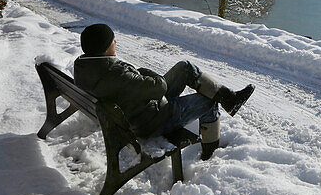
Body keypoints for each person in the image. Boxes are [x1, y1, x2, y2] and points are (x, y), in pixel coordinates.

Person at [73, 23, 254, 160]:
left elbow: (137, 88)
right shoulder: (116, 74)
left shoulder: (85, 66)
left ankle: (229, 99)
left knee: (185, 67)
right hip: (150, 121)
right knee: (208, 102)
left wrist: (137, 77)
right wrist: (143, 71)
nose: (116, 42)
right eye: (113, 40)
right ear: (105, 48)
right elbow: (159, 87)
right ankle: (210, 153)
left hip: (135, 111)